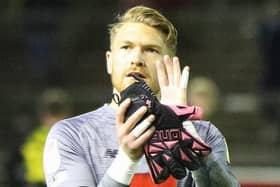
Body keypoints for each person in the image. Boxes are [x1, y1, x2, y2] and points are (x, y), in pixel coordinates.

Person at [43, 5, 240, 187]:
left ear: (169, 64)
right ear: (109, 62)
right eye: (126, 47)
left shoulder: (205, 134)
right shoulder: (72, 135)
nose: (136, 59)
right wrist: (127, 159)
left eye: (151, 50)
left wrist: (189, 137)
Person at [21, 88, 72, 187]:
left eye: (57, 111)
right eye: (51, 111)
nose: (53, 116)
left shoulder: (74, 136)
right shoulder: (31, 138)